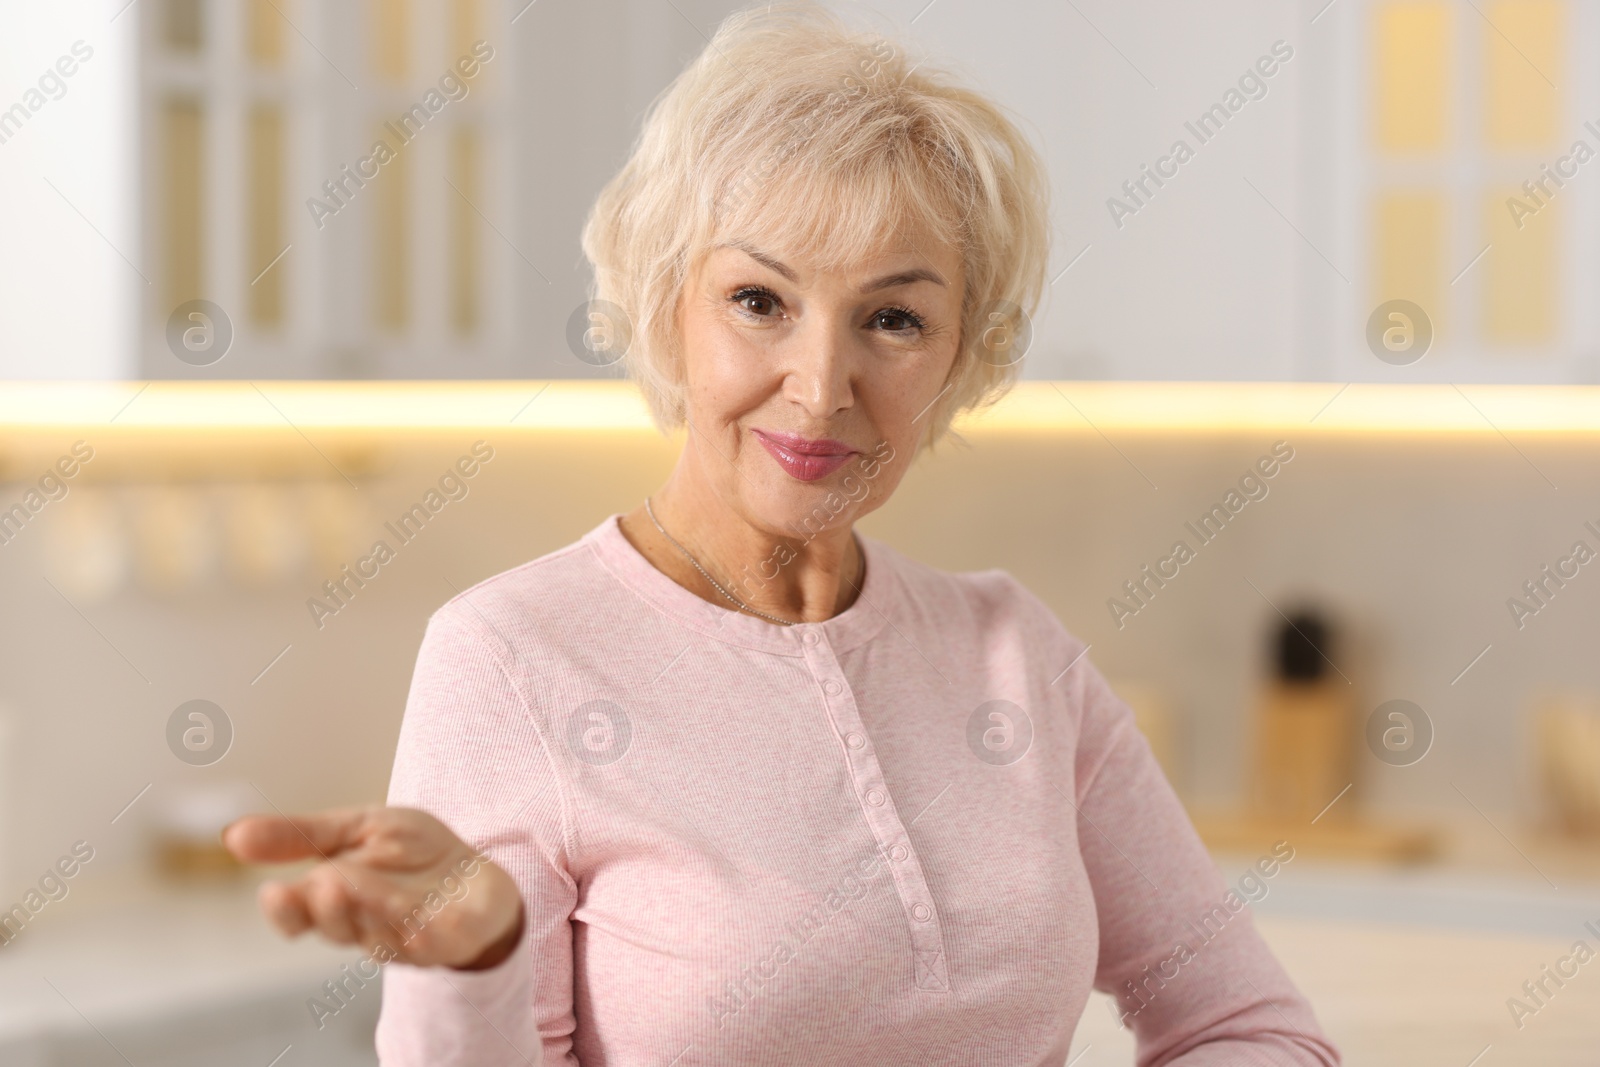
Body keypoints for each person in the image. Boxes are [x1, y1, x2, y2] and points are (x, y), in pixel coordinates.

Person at [224, 3, 1342, 1063]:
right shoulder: (512, 656)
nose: (818, 389)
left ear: (959, 353)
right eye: (759, 300)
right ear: (667, 306)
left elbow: (1257, 1026)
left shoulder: (1014, 651)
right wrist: (472, 959)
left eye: (892, 318)